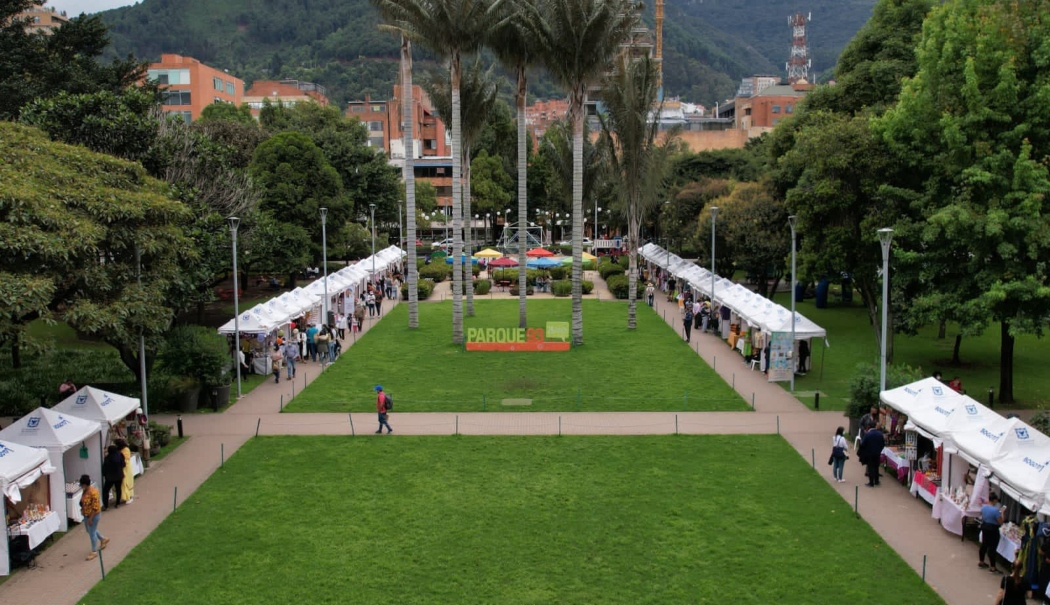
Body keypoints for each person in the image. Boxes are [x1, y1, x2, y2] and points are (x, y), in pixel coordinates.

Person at [79, 475, 108, 560]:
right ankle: (103, 539)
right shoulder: (85, 491)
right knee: (90, 530)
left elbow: (95, 508)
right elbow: (84, 502)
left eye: (81, 484)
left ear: (84, 484)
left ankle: (94, 551)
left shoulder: (93, 492)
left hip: (93, 516)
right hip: (86, 514)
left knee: (92, 533)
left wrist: (90, 519)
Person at [979, 493, 1004, 573]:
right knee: (992, 548)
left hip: (985, 526)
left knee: (984, 544)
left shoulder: (983, 507)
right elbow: (1001, 522)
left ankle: (981, 561)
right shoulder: (996, 511)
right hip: (993, 529)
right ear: (994, 500)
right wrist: (1002, 513)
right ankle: (993, 567)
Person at [101, 445, 124, 511]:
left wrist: (104, 475)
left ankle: (106, 505)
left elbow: (105, 468)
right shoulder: (120, 455)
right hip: (119, 476)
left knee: (106, 491)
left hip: (110, 477)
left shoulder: (108, 458)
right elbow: (123, 464)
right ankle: (117, 503)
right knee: (118, 489)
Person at [116, 438, 134, 503]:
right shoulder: (119, 450)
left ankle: (129, 497)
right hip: (121, 468)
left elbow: (126, 459)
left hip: (126, 468)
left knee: (126, 482)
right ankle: (124, 496)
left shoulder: (126, 449)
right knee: (123, 483)